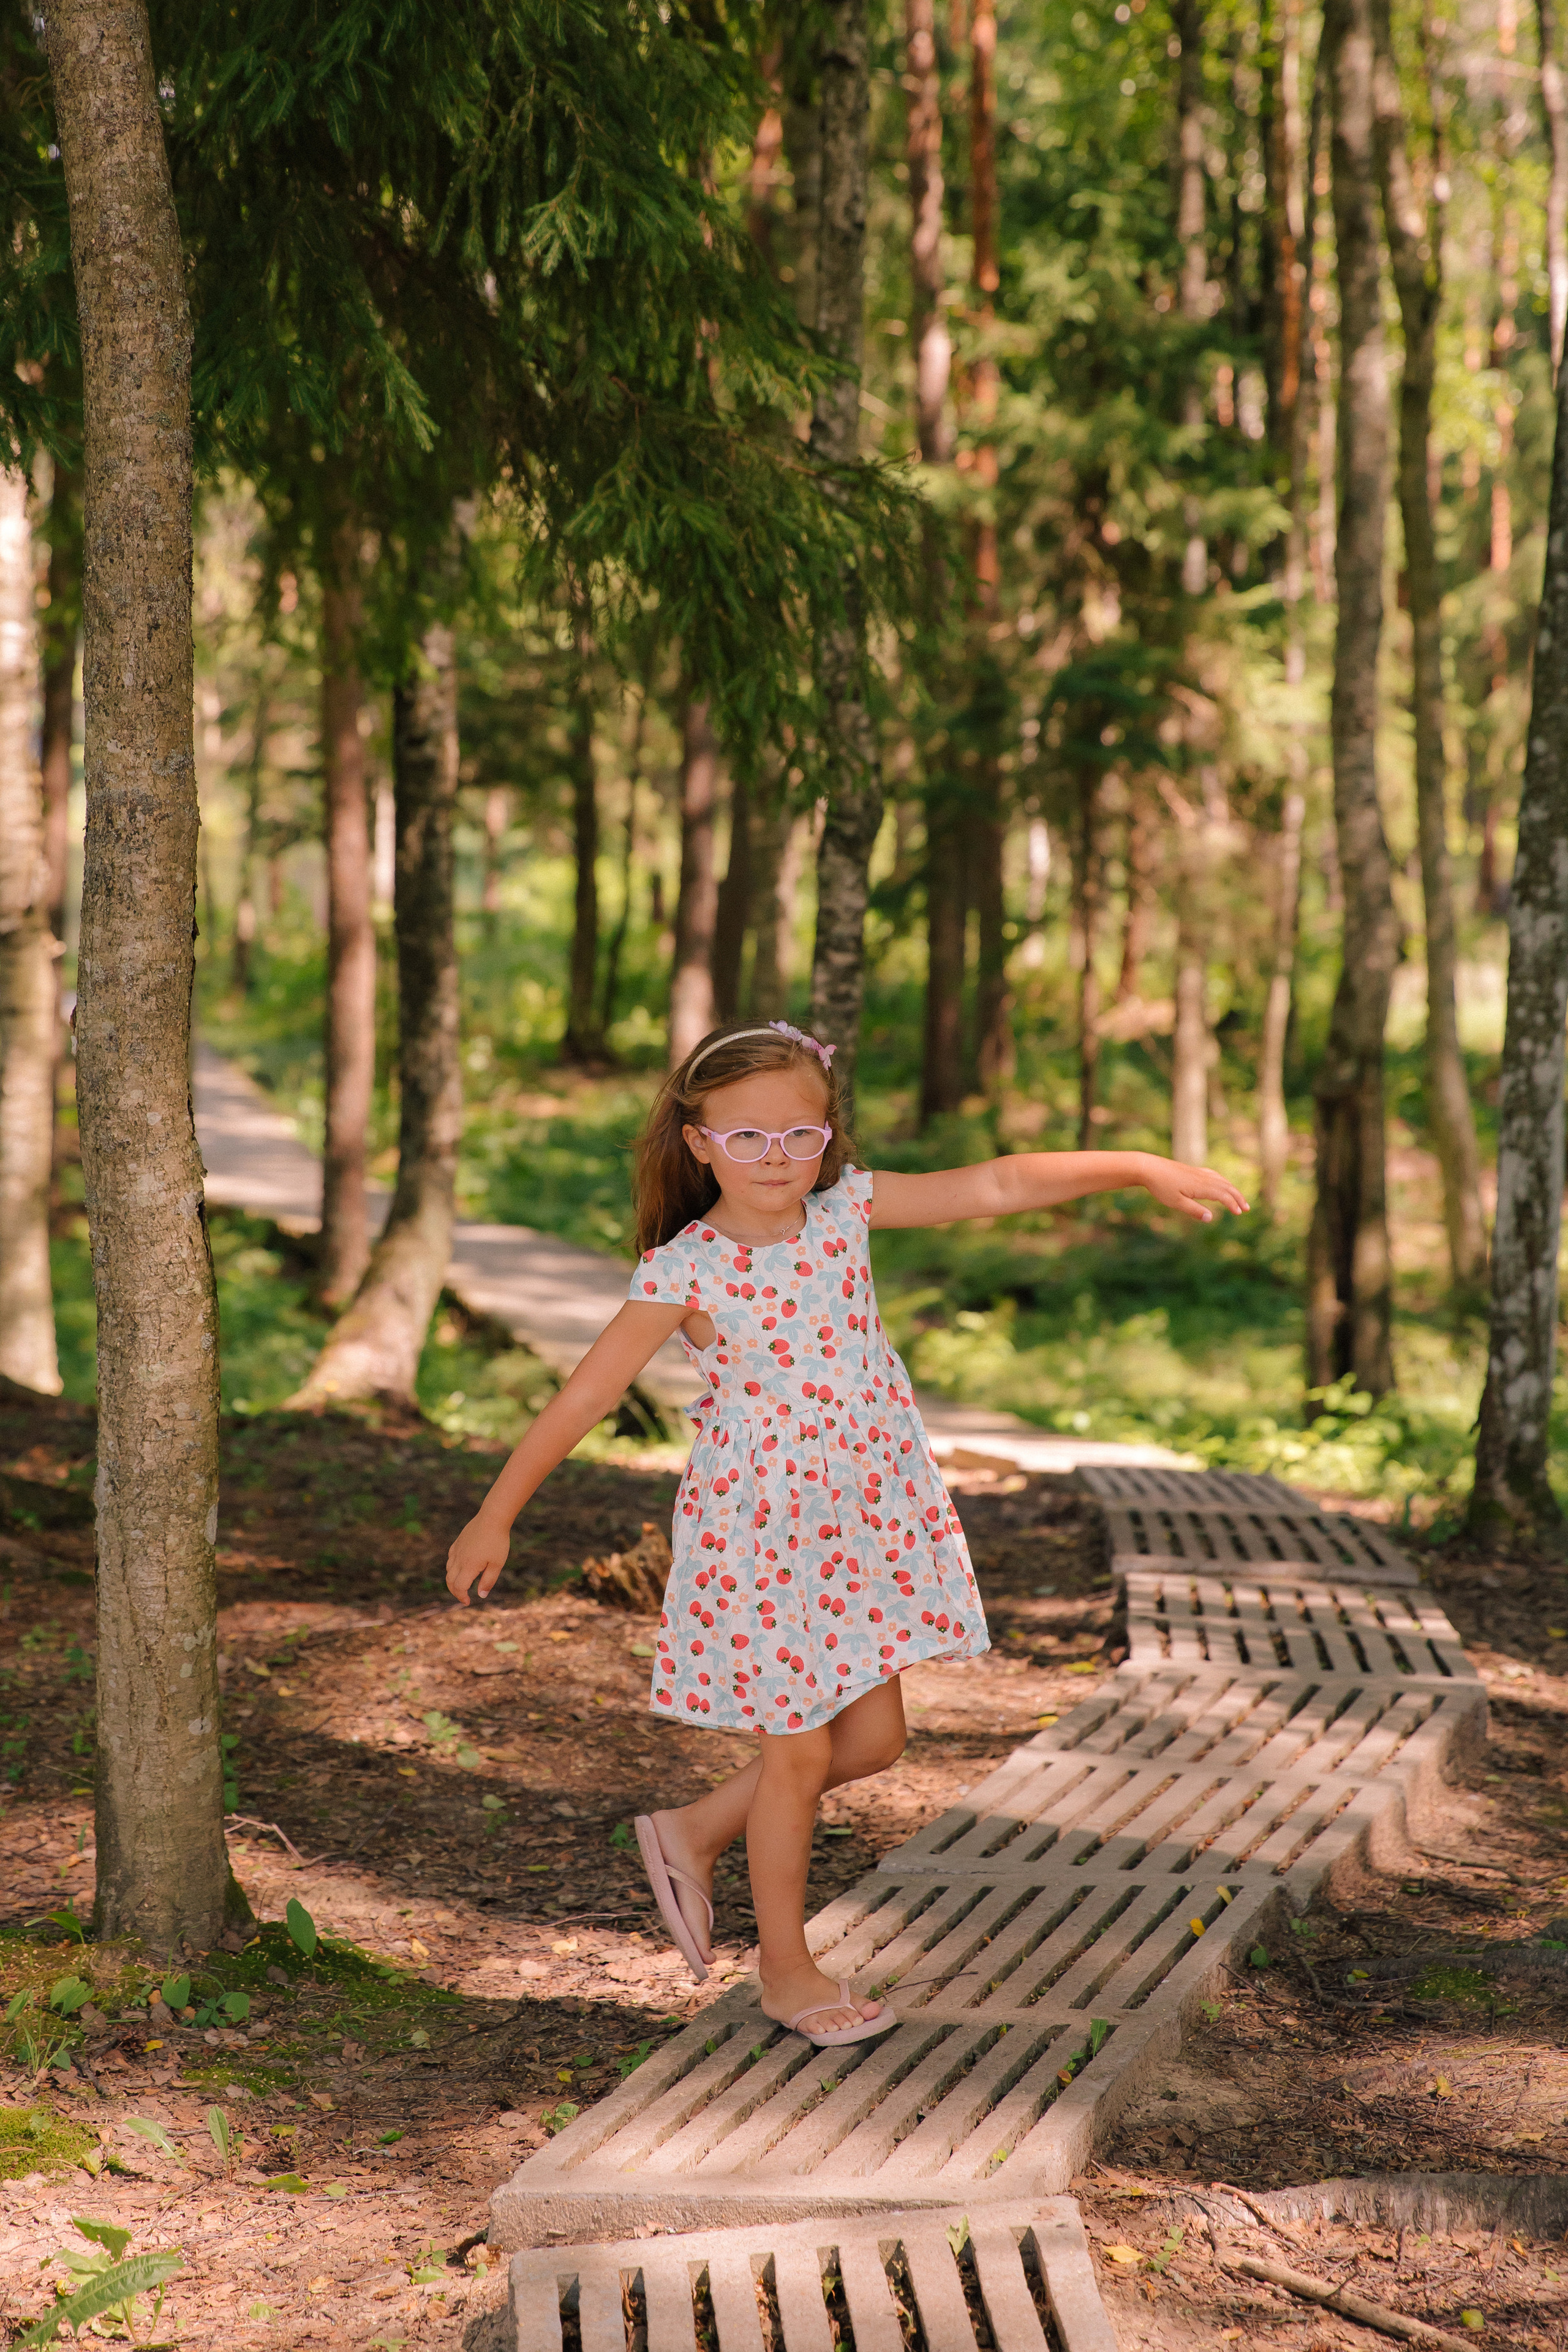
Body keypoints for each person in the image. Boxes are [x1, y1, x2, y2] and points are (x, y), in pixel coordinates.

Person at [446, 1020, 1248, 2048]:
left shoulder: (845, 1213)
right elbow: (587, 1397)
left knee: (875, 1740)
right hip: (763, 1535)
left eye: (799, 1136)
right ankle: (786, 1971)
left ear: (828, 1137)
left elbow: (998, 1185)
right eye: (745, 1139)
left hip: (866, 1521)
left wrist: (1137, 1167)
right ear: (699, 1145)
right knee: (796, 1758)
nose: (775, 1159)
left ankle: (689, 1832)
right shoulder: (682, 1270)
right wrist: (495, 1511)